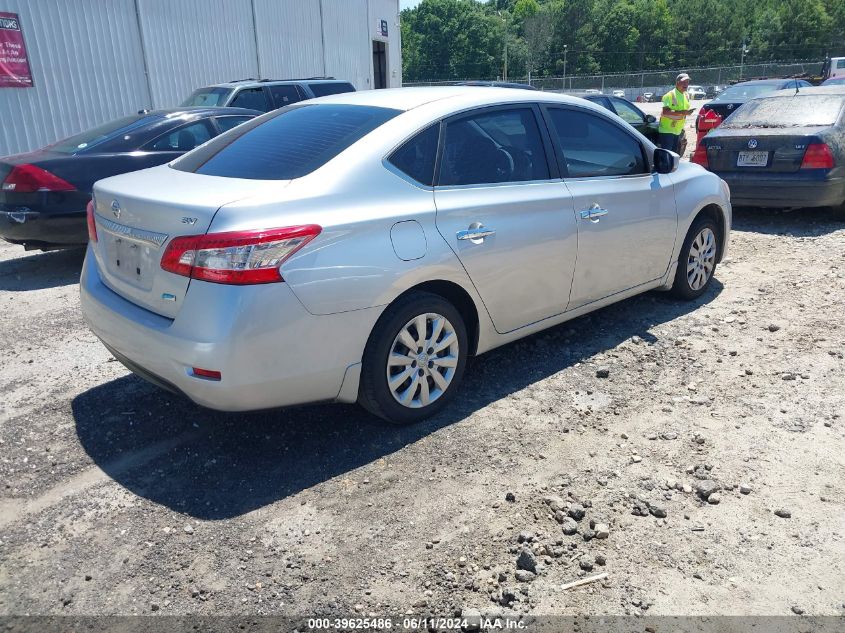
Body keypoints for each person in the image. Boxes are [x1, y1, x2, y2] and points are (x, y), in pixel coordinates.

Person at [658, 73, 695, 153]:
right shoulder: (670, 95)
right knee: (667, 155)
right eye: (684, 82)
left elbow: (683, 111)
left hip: (678, 130)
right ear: (677, 82)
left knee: (674, 154)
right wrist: (683, 112)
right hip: (667, 130)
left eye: (687, 82)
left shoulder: (686, 95)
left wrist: (687, 113)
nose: (686, 84)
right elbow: (665, 112)